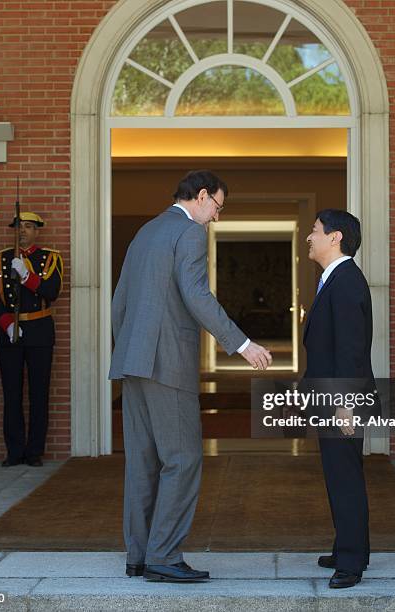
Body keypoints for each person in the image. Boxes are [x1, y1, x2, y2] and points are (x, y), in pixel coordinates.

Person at [109, 170, 272, 583]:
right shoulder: (190, 233)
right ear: (201, 196)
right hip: (168, 364)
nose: (216, 217)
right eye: (218, 207)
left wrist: (130, 347)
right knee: (182, 459)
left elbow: (120, 302)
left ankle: (139, 555)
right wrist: (242, 344)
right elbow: (197, 295)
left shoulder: (146, 231)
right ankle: (163, 556)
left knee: (142, 463)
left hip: (133, 361)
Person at [303, 209, 377, 589]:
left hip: (342, 401)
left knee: (345, 478)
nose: (309, 238)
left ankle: (351, 563)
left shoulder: (346, 282)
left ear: (335, 238)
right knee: (338, 476)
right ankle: (346, 546)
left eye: (314, 231)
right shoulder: (336, 279)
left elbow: (350, 350)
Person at [0, 212, 63, 468]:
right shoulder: (1, 259)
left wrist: (26, 276)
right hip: (11, 334)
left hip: (40, 331)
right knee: (12, 394)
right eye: (19, 227)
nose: (22, 232)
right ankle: (15, 451)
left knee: (39, 394)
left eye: (28, 227)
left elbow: (51, 292)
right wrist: (8, 325)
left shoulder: (50, 258)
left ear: (37, 231)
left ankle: (34, 452)